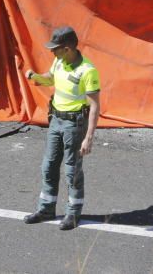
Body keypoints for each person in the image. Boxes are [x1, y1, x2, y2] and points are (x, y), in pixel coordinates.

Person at [23, 26, 101, 231]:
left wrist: (89, 138)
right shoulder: (59, 61)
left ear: (67, 49)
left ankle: (73, 214)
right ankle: (46, 209)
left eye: (55, 49)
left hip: (74, 125)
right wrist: (35, 77)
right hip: (56, 120)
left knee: (72, 170)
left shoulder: (88, 71)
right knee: (48, 166)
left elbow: (94, 106)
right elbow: (50, 78)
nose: (52, 52)